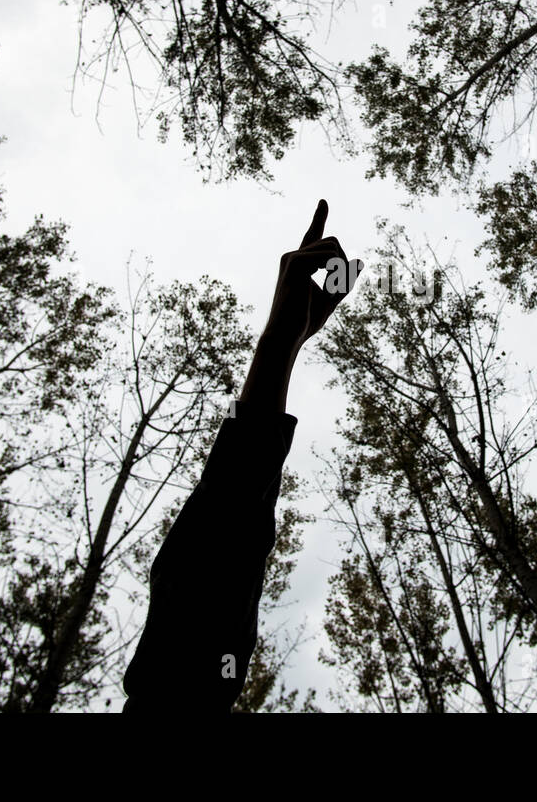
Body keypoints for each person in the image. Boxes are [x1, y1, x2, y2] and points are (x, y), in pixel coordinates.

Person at [122, 200, 360, 712]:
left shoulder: (187, 681)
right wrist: (280, 345)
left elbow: (208, 579)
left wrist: (281, 344)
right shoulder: (193, 682)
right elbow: (215, 570)